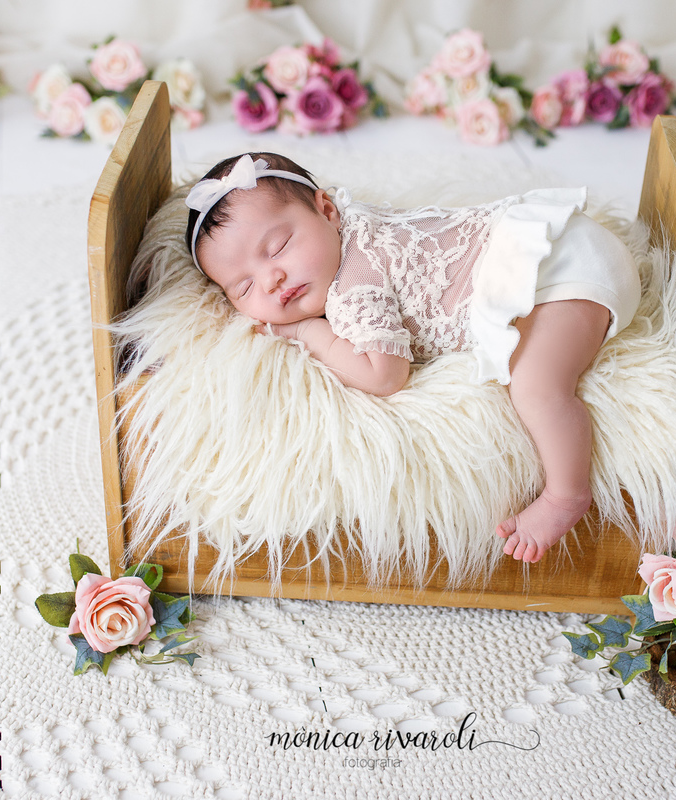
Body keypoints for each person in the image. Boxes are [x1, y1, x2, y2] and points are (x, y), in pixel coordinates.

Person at [184, 152, 640, 564]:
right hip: (556, 242)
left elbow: (385, 374)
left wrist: (308, 329)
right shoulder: (356, 226)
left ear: (327, 210)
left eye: (278, 247)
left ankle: (566, 495)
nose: (271, 280)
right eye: (243, 287)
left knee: (536, 387)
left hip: (561, 272)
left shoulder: (352, 285)